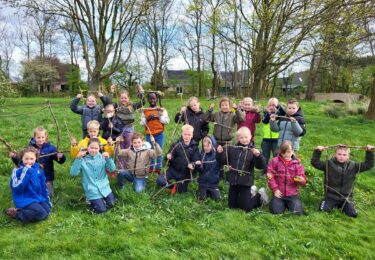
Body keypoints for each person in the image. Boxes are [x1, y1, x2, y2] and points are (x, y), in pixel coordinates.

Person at [311, 144, 374, 217]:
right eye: (339, 154)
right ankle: (332, 204)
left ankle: (342, 206)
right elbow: (315, 163)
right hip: (331, 196)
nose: (342, 156)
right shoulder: (328, 164)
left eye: (344, 155)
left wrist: (369, 152)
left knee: (353, 214)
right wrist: (318, 151)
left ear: (348, 156)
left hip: (346, 198)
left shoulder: (353, 166)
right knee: (323, 210)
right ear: (335, 154)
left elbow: (368, 165)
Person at [216, 127, 269, 212]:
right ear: (238, 138)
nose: (244, 140)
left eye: (246, 137)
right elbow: (222, 161)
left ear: (250, 137)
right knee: (232, 206)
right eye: (241, 137)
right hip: (233, 181)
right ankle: (250, 193)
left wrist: (258, 156)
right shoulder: (232, 148)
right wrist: (219, 153)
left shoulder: (254, 150)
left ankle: (260, 195)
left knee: (246, 208)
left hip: (245, 182)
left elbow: (260, 166)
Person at [9, 127, 66, 197]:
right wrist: (14, 157)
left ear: (46, 137)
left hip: (46, 178)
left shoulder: (51, 148)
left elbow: (60, 161)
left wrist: (61, 157)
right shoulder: (30, 149)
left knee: (48, 194)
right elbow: (21, 162)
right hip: (33, 176)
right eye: (38, 137)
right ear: (34, 137)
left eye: (42, 137)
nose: (41, 139)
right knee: (32, 193)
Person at [70, 138, 117, 214]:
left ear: (100, 148)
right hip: (92, 190)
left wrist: (108, 159)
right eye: (91, 148)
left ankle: (101, 201)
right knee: (102, 211)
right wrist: (78, 158)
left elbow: (112, 169)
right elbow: (73, 173)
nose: (93, 150)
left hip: (105, 188)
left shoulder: (103, 157)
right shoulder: (83, 160)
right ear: (87, 148)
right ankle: (92, 202)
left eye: (96, 148)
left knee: (113, 204)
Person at [6, 147, 51, 223]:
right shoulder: (17, 171)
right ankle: (16, 213)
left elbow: (44, 187)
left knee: (47, 210)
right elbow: (17, 188)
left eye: (31, 159)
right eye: (26, 159)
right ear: (22, 159)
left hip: (37, 198)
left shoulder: (38, 170)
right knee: (41, 213)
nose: (29, 161)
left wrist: (46, 200)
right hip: (25, 199)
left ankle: (25, 210)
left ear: (35, 158)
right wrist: (26, 171)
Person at [157, 125, 201, 194]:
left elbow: (196, 161)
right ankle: (171, 185)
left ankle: (178, 185)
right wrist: (168, 157)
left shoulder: (195, 147)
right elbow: (167, 158)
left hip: (185, 174)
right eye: (185, 134)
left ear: (192, 135)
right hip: (173, 170)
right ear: (182, 134)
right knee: (160, 181)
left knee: (181, 191)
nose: (186, 136)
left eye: (189, 134)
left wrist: (192, 165)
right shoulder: (176, 144)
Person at [267, 141, 306, 215]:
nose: (286, 155)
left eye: (288, 152)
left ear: (293, 151)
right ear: (280, 152)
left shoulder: (297, 164)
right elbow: (270, 176)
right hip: (279, 193)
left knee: (298, 213)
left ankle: (288, 204)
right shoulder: (275, 161)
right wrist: (275, 190)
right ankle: (281, 204)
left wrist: (301, 180)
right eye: (283, 153)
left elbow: (302, 179)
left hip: (292, 194)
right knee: (275, 212)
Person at [103, 84, 145, 150]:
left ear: (128, 98)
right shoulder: (117, 105)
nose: (123, 99)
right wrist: (111, 91)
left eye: (125, 98)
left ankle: (128, 158)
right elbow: (109, 103)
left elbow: (143, 102)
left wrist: (141, 92)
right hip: (119, 129)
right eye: (122, 98)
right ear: (119, 98)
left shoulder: (132, 105)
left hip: (129, 128)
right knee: (120, 145)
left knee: (128, 144)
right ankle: (121, 160)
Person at [140, 91, 170, 174]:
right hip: (149, 134)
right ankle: (151, 166)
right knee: (150, 150)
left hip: (159, 134)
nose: (152, 100)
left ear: (156, 99)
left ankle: (158, 167)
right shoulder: (145, 111)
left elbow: (167, 121)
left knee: (159, 150)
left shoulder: (161, 110)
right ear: (148, 99)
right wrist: (148, 119)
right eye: (150, 98)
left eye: (154, 98)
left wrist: (158, 116)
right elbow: (142, 123)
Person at [196, 136, 221, 201]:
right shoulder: (201, 155)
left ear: (212, 145)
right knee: (202, 198)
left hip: (213, 183)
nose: (206, 148)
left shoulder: (217, 155)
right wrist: (198, 165)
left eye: (208, 146)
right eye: (204, 146)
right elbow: (200, 170)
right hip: (203, 183)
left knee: (217, 199)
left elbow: (223, 162)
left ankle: (211, 191)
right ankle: (202, 191)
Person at [261, 97, 280, 169]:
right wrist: (269, 113)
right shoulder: (266, 114)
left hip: (276, 139)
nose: (272, 107)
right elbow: (265, 121)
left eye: (274, 105)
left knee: (276, 156)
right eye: (270, 105)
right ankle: (265, 170)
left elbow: (282, 114)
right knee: (265, 156)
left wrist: (275, 112)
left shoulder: (279, 114)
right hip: (266, 139)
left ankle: (276, 170)